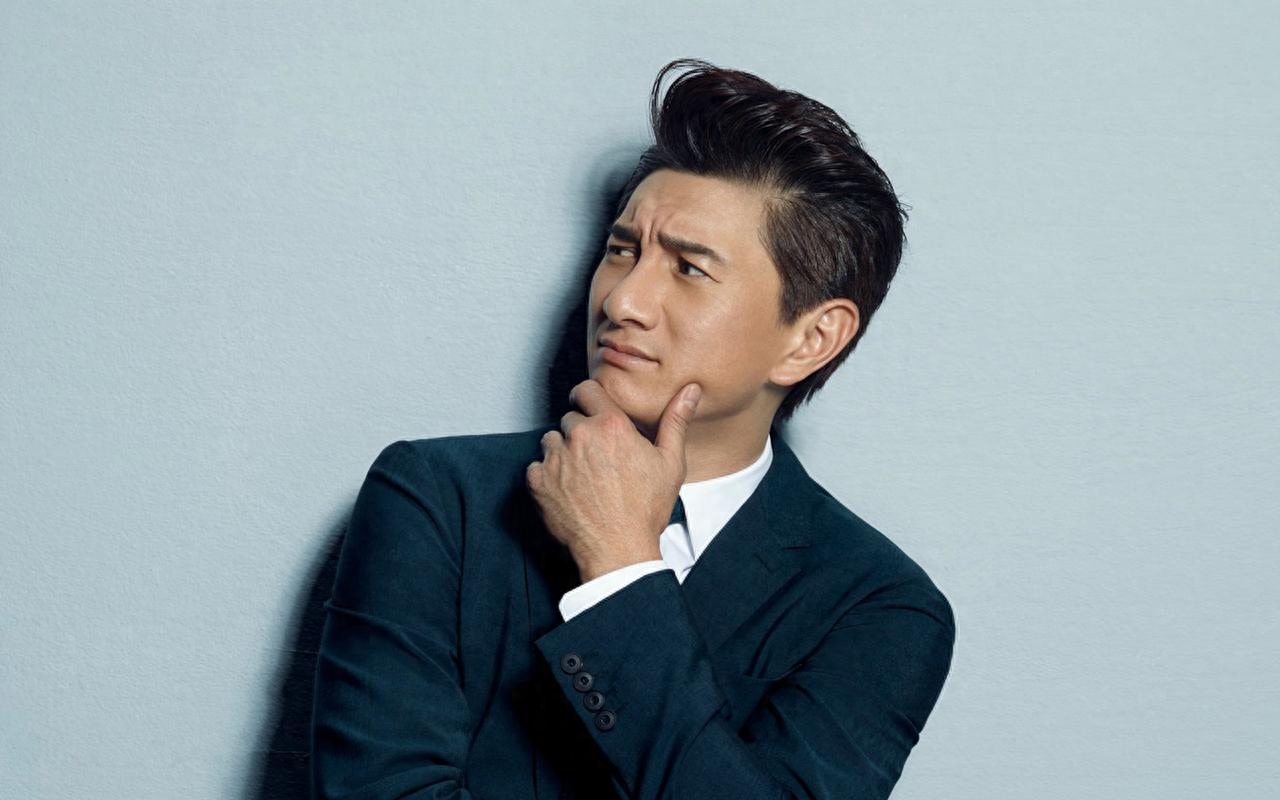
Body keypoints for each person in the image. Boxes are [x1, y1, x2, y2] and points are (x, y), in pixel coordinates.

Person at [310, 58, 955, 800]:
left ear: (810, 339)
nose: (623, 301)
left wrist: (619, 565)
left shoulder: (880, 607)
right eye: (623, 251)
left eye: (689, 269)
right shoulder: (437, 500)